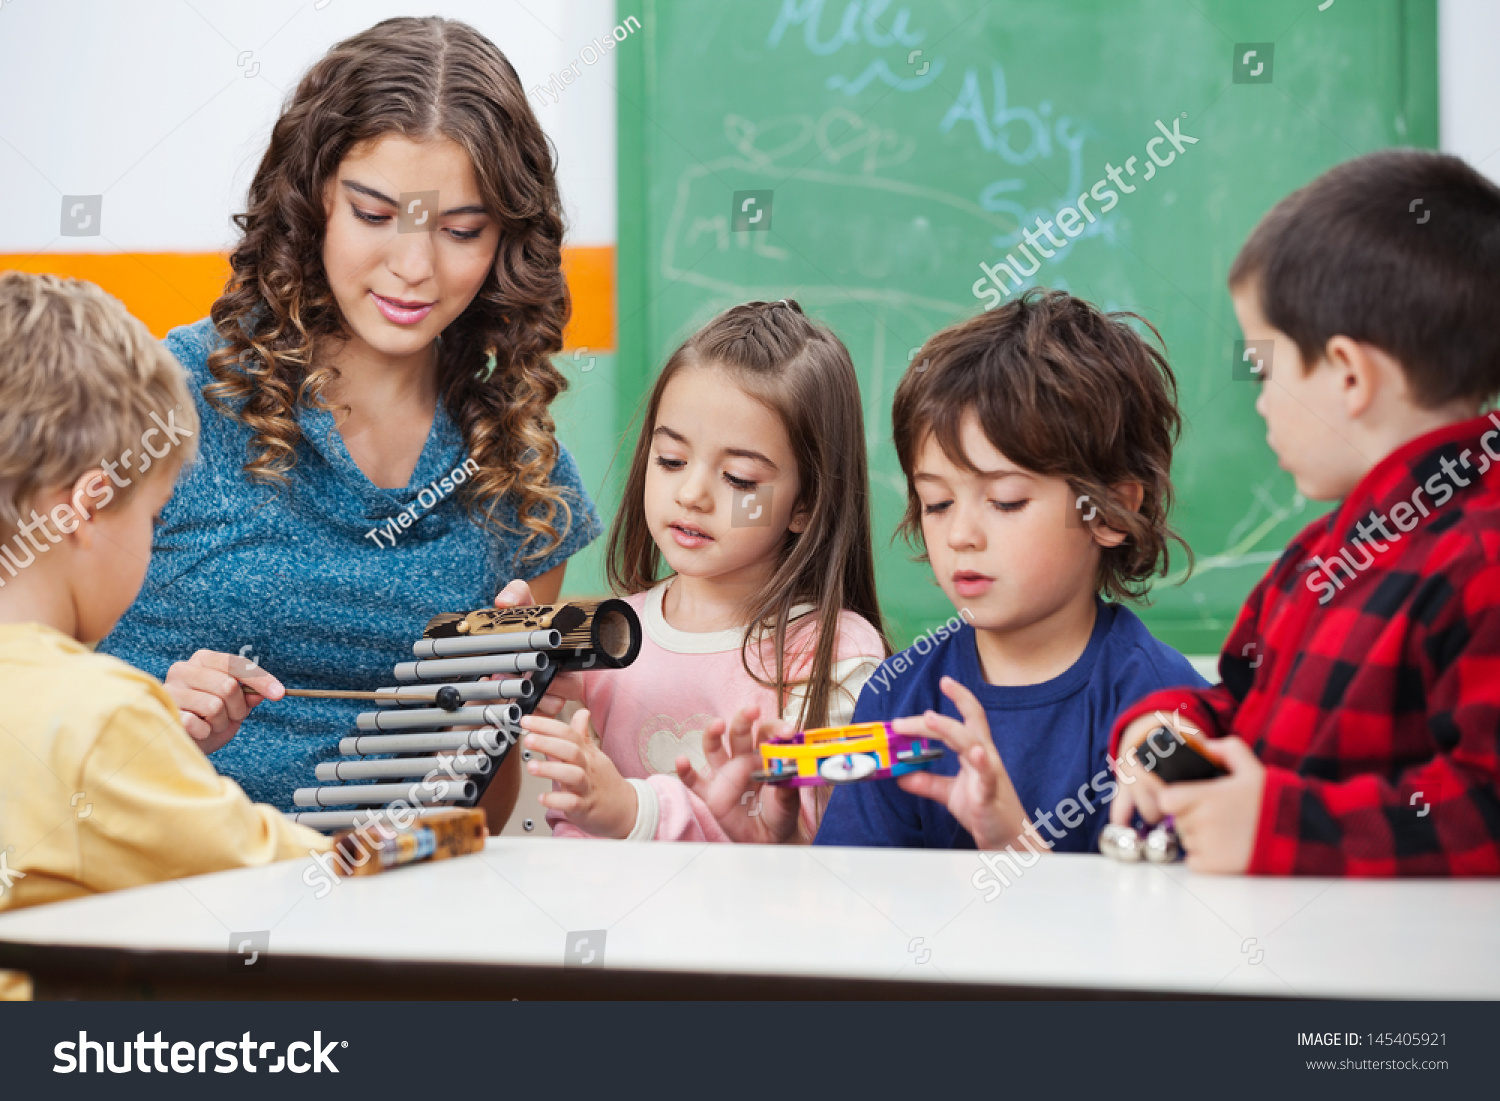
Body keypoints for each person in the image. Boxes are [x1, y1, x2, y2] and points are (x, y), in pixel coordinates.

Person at [97, 17, 603, 825]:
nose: (414, 268)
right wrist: (154, 717)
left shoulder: (523, 477)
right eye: (375, 215)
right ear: (315, 201)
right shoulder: (165, 399)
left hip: (386, 907)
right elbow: (28, 688)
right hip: (158, 889)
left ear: (507, 238)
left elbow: (485, 811)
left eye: (461, 230)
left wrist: (487, 722)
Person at [1110, 149, 1500, 876]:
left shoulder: (1481, 558)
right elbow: (1237, 703)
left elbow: (1483, 805)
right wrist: (1168, 730)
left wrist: (1282, 826)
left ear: (1349, 374)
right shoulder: (1315, 557)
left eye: (1266, 367)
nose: (1259, 400)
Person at [0, 272, 331, 1001]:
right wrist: (429, 844)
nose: (151, 542)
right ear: (87, 508)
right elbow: (288, 877)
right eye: (151, 517)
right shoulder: (98, 713)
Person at [799, 289, 1207, 855]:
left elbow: (1162, 925)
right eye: (937, 504)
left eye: (1007, 501)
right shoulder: (897, 696)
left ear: (1110, 511)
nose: (960, 534)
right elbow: (858, 903)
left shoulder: (1165, 708)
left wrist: (1015, 845)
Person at [513, 300, 889, 841]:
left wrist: (633, 811)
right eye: (670, 461)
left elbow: (818, 840)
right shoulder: (614, 631)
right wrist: (512, 663)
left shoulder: (838, 657)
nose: (691, 494)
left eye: (738, 479)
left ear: (806, 504)